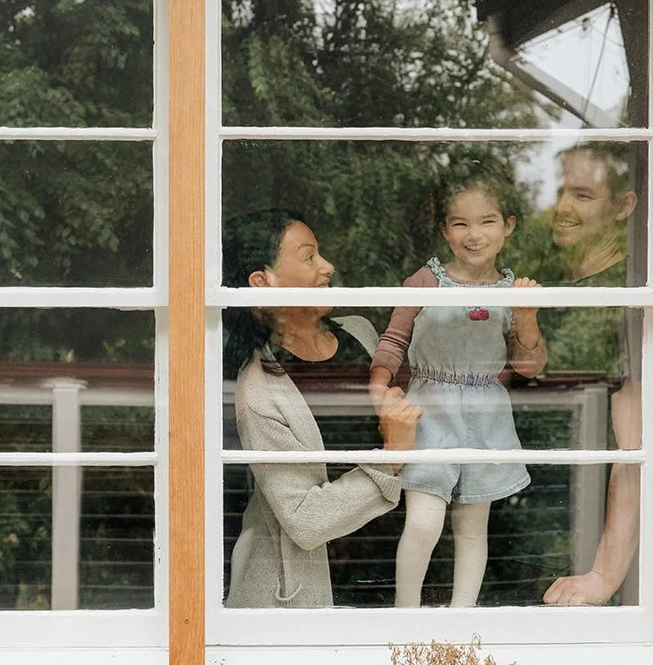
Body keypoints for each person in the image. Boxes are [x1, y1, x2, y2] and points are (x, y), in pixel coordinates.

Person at [224, 209, 421, 609]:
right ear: (264, 283)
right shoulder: (259, 393)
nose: (327, 266)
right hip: (304, 598)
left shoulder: (362, 334)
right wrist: (391, 458)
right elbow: (304, 520)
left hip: (391, 572)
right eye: (309, 256)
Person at [369, 167, 546, 607]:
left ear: (508, 225)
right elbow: (394, 340)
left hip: (487, 417)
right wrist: (379, 390)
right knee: (425, 522)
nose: (474, 234)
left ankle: (461, 622)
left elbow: (528, 366)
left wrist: (526, 317)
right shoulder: (425, 282)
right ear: (445, 230)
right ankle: (405, 617)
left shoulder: (511, 291)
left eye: (487, 221)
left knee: (472, 529)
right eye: (460, 223)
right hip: (430, 411)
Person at [541, 145, 641, 607]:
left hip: (577, 545)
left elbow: (633, 449)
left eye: (583, 195)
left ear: (624, 207)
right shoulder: (558, 284)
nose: (563, 208)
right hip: (534, 520)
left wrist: (603, 574)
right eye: (562, 191)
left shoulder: (627, 297)